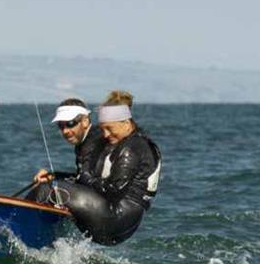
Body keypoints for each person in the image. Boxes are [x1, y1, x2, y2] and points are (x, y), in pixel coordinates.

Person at [31, 90, 162, 245]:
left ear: (126, 124)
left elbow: (113, 189)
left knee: (46, 191)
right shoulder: (129, 143)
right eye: (103, 129)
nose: (104, 135)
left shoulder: (132, 148)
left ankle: (18, 231)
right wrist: (57, 176)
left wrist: (82, 178)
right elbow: (93, 180)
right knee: (54, 192)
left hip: (117, 218)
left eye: (109, 129)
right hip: (122, 221)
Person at [29, 98, 106, 194]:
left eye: (70, 124)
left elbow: (86, 181)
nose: (65, 131)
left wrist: (55, 181)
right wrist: (53, 176)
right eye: (61, 126)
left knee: (43, 191)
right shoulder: (83, 142)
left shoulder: (95, 140)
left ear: (85, 121)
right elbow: (81, 177)